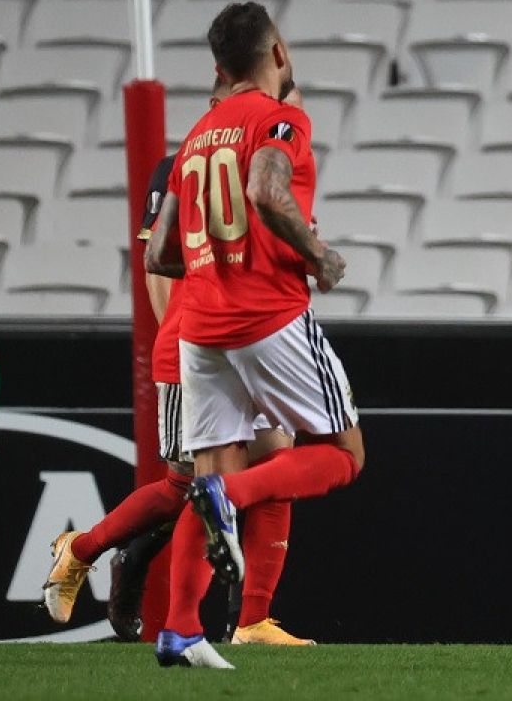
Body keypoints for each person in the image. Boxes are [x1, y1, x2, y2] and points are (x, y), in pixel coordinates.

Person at [43, 79, 315, 647]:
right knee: (187, 486)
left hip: (259, 340)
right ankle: (85, 548)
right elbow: (156, 263)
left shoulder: (272, 161)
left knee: (273, 472)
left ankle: (253, 622)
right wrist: (188, 338)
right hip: (202, 344)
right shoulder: (185, 164)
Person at [145, 1, 363, 670]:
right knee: (344, 453)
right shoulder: (281, 118)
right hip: (267, 316)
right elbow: (269, 190)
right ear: (279, 52)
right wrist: (316, 254)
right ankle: (228, 500)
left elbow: (160, 254)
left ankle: (180, 630)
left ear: (218, 67)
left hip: (200, 329)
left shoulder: (198, 135)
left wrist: (215, 257)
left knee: (208, 469)